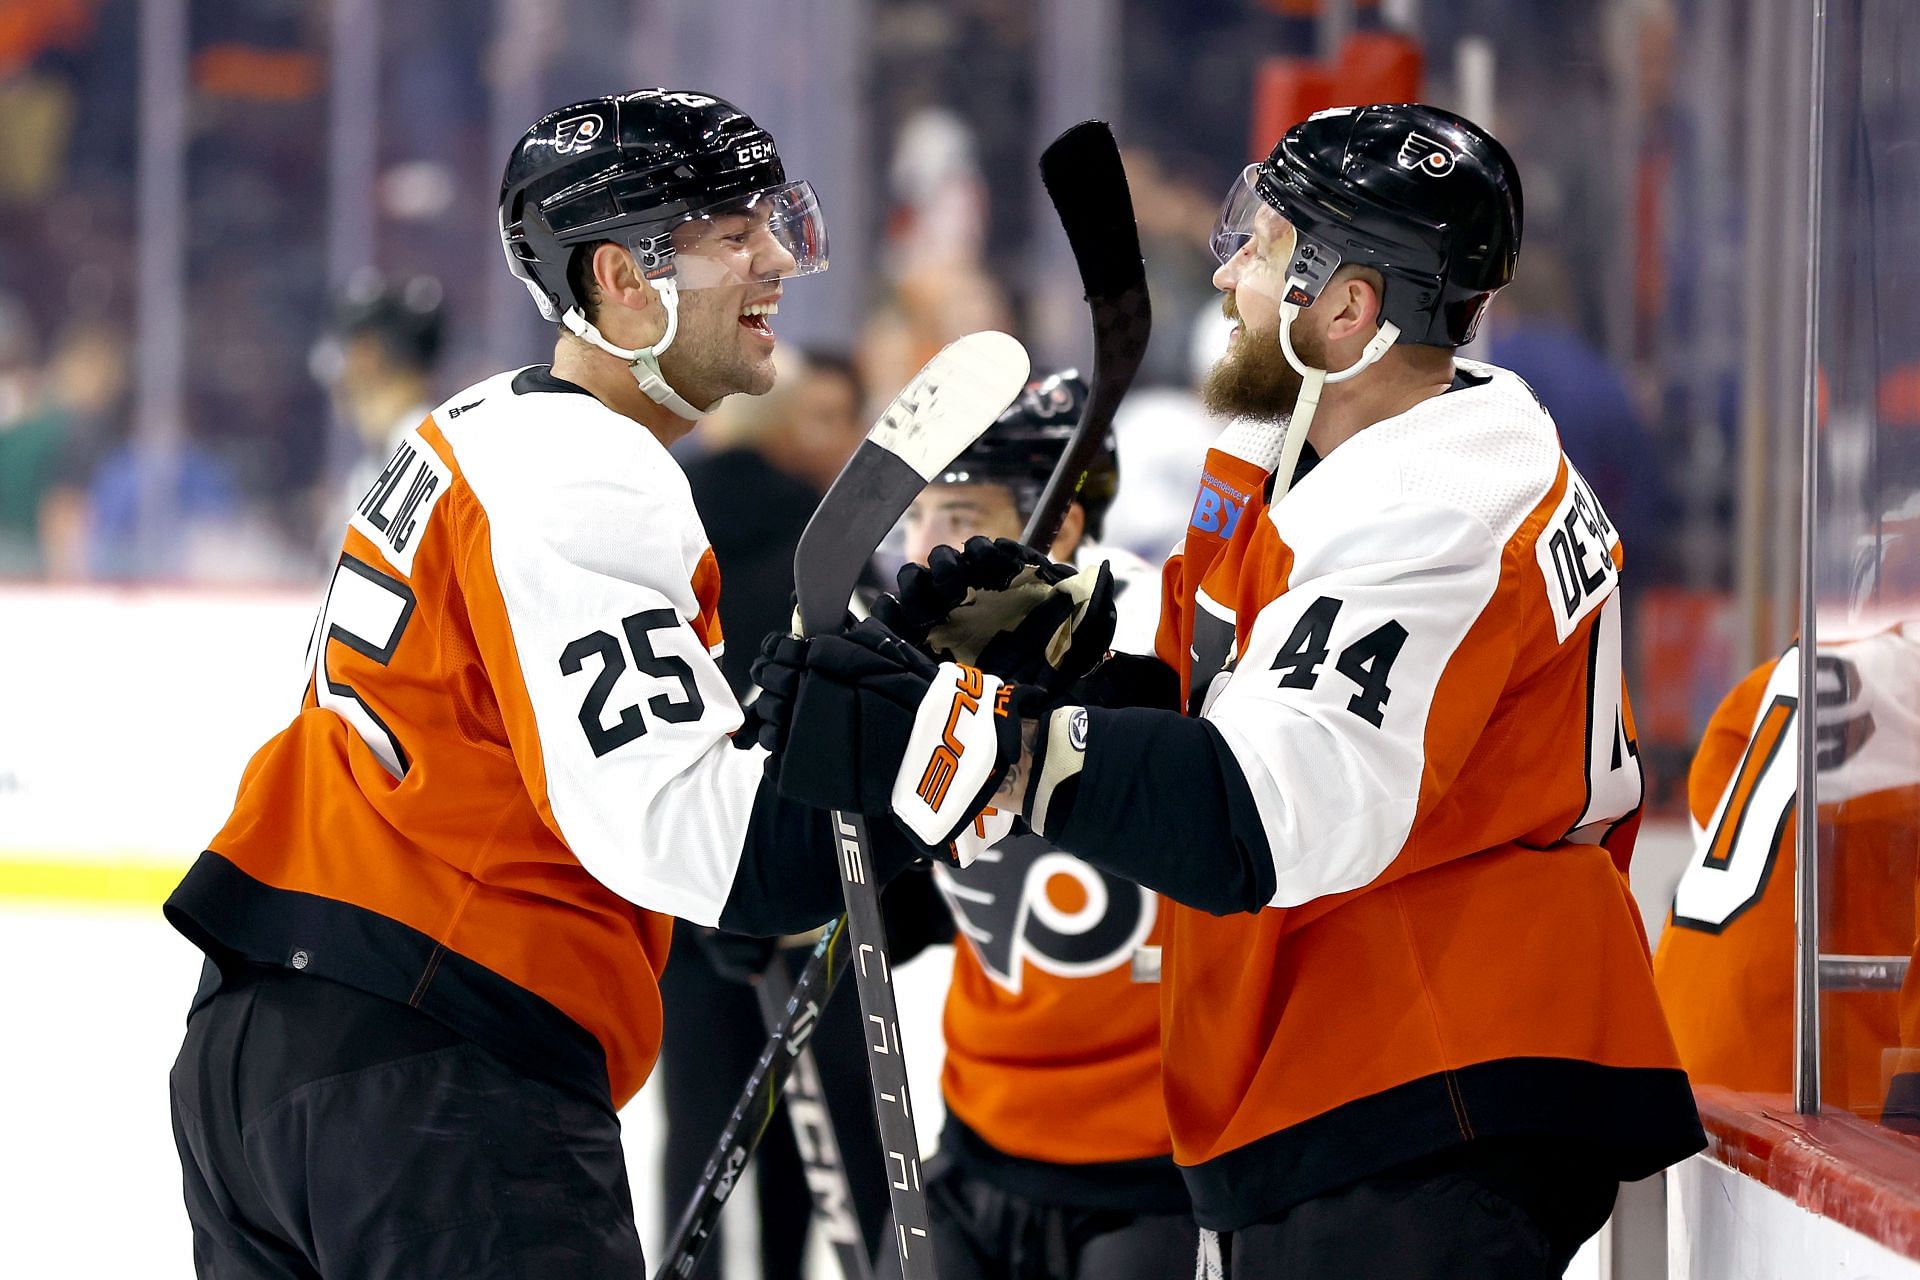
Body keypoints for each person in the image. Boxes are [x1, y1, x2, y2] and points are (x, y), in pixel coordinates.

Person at [749, 103, 1706, 1277]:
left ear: (1347, 308)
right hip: (1343, 1062)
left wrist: (954, 735)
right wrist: (1072, 621)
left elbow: (1261, 813)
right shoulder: (1297, 437)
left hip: (1442, 1079)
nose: (1234, 264)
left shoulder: (1440, 508)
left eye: (1265, 243)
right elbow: (1212, 641)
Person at [164, 89, 906, 1278]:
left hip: (265, 1056)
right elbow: (702, 845)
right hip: (435, 1069)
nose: (777, 258)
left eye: (773, 219)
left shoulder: (469, 429)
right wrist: (936, 748)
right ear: (620, 276)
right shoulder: (591, 472)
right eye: (731, 231)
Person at [874, 370, 1195, 1280]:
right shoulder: (916, 656)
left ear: (1057, 525)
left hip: (1153, 1171)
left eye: (959, 514)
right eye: (916, 518)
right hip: (981, 1140)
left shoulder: (1162, 649)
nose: (924, 549)